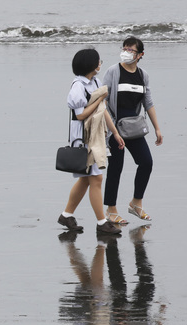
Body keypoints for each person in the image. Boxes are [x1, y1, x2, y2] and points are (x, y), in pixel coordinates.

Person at [58, 48, 123, 235]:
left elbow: (102, 110)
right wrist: (100, 99)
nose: (100, 64)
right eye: (98, 61)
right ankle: (102, 222)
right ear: (91, 65)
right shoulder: (78, 86)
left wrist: (115, 133)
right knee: (96, 178)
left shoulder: (95, 82)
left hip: (96, 136)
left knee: (87, 180)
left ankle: (67, 214)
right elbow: (80, 115)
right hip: (83, 137)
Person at [103, 37, 163, 224]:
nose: (126, 52)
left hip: (134, 127)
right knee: (116, 168)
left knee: (146, 162)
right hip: (115, 127)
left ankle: (136, 203)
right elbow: (102, 102)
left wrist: (157, 128)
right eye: (124, 48)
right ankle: (111, 210)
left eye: (131, 50)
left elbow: (148, 102)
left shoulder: (143, 75)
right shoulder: (113, 71)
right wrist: (113, 130)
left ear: (140, 55)